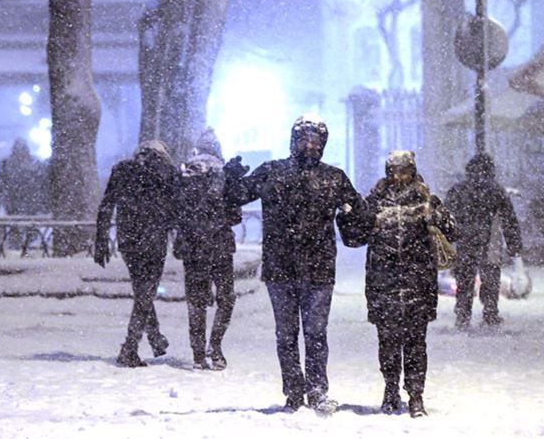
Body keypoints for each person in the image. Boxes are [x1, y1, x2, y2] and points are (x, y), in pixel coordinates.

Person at [224, 114, 365, 413]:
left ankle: (316, 389)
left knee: (315, 333)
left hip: (319, 269)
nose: (309, 145)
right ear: (293, 141)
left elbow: (358, 222)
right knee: (286, 334)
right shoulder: (272, 172)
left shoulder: (334, 177)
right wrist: (230, 177)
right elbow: (235, 196)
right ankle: (294, 390)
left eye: (315, 140)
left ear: (323, 144)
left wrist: (356, 214)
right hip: (281, 268)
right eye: (304, 139)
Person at [356, 151, 457, 418]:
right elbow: (355, 234)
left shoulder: (426, 199)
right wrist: (349, 213)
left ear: (412, 171)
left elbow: (453, 230)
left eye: (403, 171)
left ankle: (415, 395)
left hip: (418, 282)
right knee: (387, 341)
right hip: (383, 282)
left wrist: (434, 217)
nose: (397, 177)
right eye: (392, 172)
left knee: (415, 342)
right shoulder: (375, 200)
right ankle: (390, 390)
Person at [94, 140, 176, 367]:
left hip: (129, 240)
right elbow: (175, 208)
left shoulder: (122, 170)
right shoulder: (167, 171)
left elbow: (106, 204)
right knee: (145, 293)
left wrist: (101, 238)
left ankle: (156, 338)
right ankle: (130, 347)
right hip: (154, 239)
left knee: (142, 290)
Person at [174, 128, 241, 370]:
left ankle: (198, 354)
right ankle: (216, 346)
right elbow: (235, 217)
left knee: (196, 301)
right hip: (220, 245)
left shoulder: (184, 174)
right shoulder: (224, 174)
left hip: (193, 247)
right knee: (226, 299)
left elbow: (175, 211)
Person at [445, 153, 524, 329]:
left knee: (464, 279)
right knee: (490, 278)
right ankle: (490, 312)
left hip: (464, 241)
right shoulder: (496, 190)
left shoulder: (458, 189)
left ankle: (463, 314)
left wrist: (445, 242)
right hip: (488, 241)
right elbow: (509, 221)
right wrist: (514, 247)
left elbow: (445, 217)